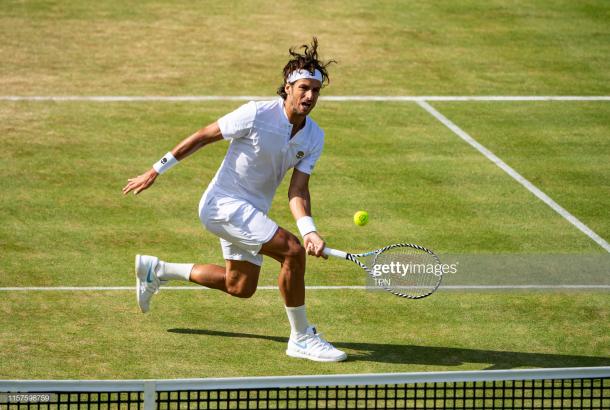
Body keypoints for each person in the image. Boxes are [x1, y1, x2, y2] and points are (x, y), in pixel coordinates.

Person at [122, 38, 346, 362]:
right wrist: (155, 170)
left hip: (251, 211)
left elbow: (297, 191)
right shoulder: (256, 113)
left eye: (315, 90)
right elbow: (203, 136)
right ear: (288, 88)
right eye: (304, 88)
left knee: (240, 285)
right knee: (292, 252)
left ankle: (157, 270)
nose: (310, 96)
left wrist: (310, 228)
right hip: (222, 205)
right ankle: (301, 337)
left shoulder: (315, 136)